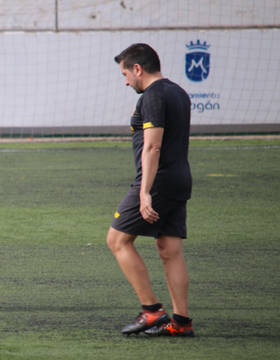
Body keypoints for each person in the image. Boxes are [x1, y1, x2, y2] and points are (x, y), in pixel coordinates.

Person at [106, 43, 194, 336]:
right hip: (180, 178)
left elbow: (153, 145)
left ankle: (151, 311)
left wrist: (145, 191)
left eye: (126, 73)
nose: (126, 80)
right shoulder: (179, 93)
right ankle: (181, 322)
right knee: (170, 248)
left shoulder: (153, 96)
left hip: (156, 181)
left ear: (138, 69)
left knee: (117, 240)